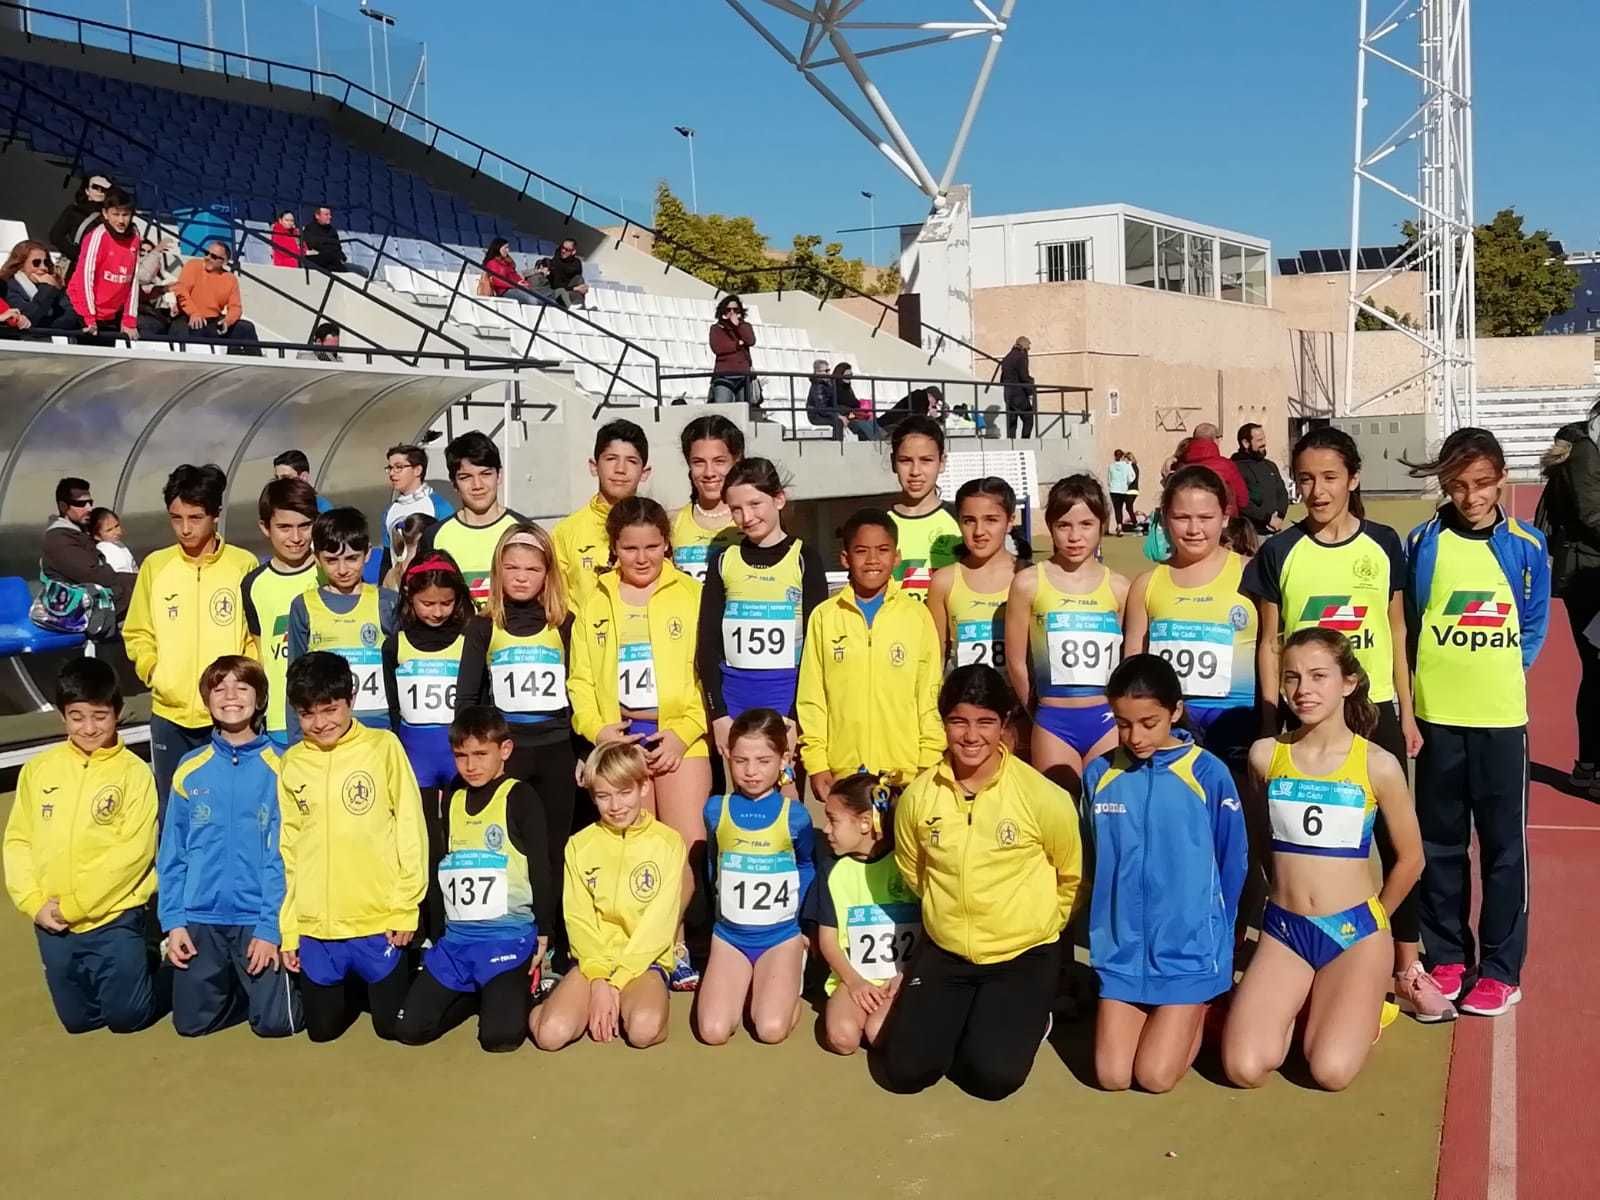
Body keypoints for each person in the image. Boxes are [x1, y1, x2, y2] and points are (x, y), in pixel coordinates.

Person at [1242, 426, 1447, 1020]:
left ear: (1353, 479)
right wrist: (1270, 717)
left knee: (1393, 843)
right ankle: (1294, 950)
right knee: (1297, 839)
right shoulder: (1280, 551)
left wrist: (1405, 710)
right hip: (1305, 714)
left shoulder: (1383, 544)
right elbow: (1269, 642)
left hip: (1374, 707)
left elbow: (1397, 632)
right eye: (1305, 479)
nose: (1318, 490)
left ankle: (1406, 967)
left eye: (1330, 477)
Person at [1223, 629, 1423, 1090]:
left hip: (1354, 932)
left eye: (1318, 676)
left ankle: (1365, 1010)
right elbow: (1262, 842)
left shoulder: (1377, 764)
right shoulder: (1266, 756)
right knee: (1244, 1068)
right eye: (1292, 677)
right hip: (1285, 930)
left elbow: (1411, 858)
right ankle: (1310, 1001)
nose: (1303, 690)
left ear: (1348, 682)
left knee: (1329, 1071)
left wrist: (1376, 917)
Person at [883, 664, 1083, 1100]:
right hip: (948, 950)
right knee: (904, 1072)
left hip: (1022, 953)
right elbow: (915, 870)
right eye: (959, 721)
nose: (971, 736)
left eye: (985, 722)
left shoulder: (1040, 795)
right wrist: (948, 918)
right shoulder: (919, 797)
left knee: (992, 1078)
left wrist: (1044, 924)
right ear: (944, 723)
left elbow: (1071, 875)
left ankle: (1033, 1014)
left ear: (1004, 724)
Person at [1404, 429, 1549, 1018]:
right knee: (1439, 845)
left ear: (1502, 479)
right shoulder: (1424, 541)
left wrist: (1500, 672)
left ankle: (1500, 969)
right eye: (1458, 485)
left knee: (1503, 849)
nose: (1471, 497)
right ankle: (1447, 956)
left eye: (1483, 484)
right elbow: (1415, 619)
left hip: (1499, 719)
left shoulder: (1527, 545)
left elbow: (1532, 624)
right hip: (1437, 716)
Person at [1082, 654, 1247, 1092]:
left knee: (1154, 1077)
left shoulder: (1208, 773)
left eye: (1148, 723)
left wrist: (1221, 942)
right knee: (1113, 1076)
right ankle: (1163, 1015)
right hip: (1121, 953)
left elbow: (1233, 862)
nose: (1135, 737)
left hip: (1188, 954)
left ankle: (1204, 1004)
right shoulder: (1099, 774)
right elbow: (1093, 858)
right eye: (1123, 724)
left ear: (1175, 712)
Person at [568, 498, 709, 991]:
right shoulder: (595, 599)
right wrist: (599, 731)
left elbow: (707, 675)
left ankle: (676, 944)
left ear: (667, 544)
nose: (642, 557)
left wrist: (684, 731)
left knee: (686, 848)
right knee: (630, 848)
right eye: (630, 548)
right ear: (615, 548)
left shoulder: (691, 595)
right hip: (620, 737)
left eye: (652, 546)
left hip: (678, 736)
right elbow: (581, 681)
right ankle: (630, 948)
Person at [3, 658, 162, 1035]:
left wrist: (75, 905)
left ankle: (151, 955)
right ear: (62, 716)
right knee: (79, 1021)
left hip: (113, 914)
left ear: (117, 713)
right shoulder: (39, 769)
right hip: (52, 919)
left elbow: (132, 855)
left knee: (127, 1018)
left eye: (99, 716)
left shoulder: (134, 774)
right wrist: (34, 903)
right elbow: (18, 840)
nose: (89, 728)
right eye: (77, 717)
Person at [277, 652, 424, 1042]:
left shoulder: (383, 747)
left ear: (351, 700)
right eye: (307, 714)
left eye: (330, 709)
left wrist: (405, 907)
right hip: (318, 928)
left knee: (392, 1028)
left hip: (377, 922)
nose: (320, 723)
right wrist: (290, 929)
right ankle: (350, 985)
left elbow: (410, 828)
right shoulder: (291, 763)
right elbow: (288, 850)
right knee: (321, 1032)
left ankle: (401, 975)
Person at [453, 523, 579, 975]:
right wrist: (476, 756)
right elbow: (467, 700)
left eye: (532, 569)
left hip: (557, 750)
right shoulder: (483, 627)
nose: (521, 577)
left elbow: (579, 692)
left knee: (555, 850)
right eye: (512, 568)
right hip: (510, 754)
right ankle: (514, 936)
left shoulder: (564, 624)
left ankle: (558, 940)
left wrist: (583, 752)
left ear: (548, 574)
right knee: (514, 850)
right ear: (498, 571)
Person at [393, 707, 553, 1051]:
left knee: (499, 1039)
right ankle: (476, 995)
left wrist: (544, 931)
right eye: (461, 756)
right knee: (409, 1029)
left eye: (481, 754)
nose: (470, 765)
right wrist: (437, 933)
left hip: (507, 938)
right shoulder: (453, 795)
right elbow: (444, 867)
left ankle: (515, 991)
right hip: (458, 941)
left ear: (504, 750)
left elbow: (542, 867)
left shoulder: (520, 797)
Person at [159, 655, 301, 1038]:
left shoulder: (284, 766)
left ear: (260, 698)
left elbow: (285, 857)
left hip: (258, 917)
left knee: (276, 1023)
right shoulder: (190, 767)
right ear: (207, 701)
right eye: (219, 689)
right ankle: (236, 987)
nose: (231, 696)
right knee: (191, 1024)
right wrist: (174, 923)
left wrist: (271, 929)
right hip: (201, 917)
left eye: (242, 687)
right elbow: (173, 853)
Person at [530, 741, 683, 1051]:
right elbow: (579, 920)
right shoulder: (579, 845)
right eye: (603, 796)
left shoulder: (668, 843)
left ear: (643, 787)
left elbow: (658, 926)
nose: (615, 806)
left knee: (642, 1031)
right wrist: (600, 980)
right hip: (593, 961)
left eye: (624, 792)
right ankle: (553, 1005)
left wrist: (618, 981)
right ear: (593, 797)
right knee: (550, 1035)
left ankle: (641, 1002)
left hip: (643, 962)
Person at [124, 463, 258, 811]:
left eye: (195, 518)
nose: (185, 528)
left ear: (216, 515)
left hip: (228, 712)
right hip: (170, 715)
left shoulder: (242, 565)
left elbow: (252, 637)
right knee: (173, 805)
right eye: (176, 518)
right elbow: (137, 631)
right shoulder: (155, 566)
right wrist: (156, 672)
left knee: (229, 804)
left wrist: (240, 686)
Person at [797, 507, 944, 795]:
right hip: (845, 773)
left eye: (883, 550)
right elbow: (812, 697)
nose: (873, 560)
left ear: (896, 557)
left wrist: (929, 759)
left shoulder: (917, 616)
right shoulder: (825, 616)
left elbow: (930, 694)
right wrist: (816, 763)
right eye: (862, 551)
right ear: (845, 558)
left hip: (906, 772)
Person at [1121, 466, 1258, 767]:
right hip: (1169, 723)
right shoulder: (1147, 584)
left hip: (1237, 718)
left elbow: (1273, 651)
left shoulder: (1252, 574)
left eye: (1205, 518)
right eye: (1182, 518)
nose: (1194, 529)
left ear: (1225, 517)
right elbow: (1134, 668)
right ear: (1165, 518)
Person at [697, 708, 816, 1045]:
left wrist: (802, 928)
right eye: (741, 760)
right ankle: (752, 983)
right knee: (713, 1031)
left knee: (770, 1029)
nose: (751, 772)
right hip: (729, 937)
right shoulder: (715, 810)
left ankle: (785, 982)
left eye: (764, 761)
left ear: (784, 759)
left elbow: (806, 866)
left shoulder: (796, 816)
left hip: (781, 937)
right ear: (727, 755)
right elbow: (713, 865)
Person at [698, 457, 830, 760]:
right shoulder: (723, 560)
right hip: (734, 703)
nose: (746, 517)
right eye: (736, 509)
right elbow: (707, 644)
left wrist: (796, 715)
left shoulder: (805, 558)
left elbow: (816, 644)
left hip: (787, 699)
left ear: (779, 499)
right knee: (746, 788)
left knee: (785, 790)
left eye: (755, 504)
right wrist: (718, 715)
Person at [1005, 475, 1129, 788]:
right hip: (1053, 721)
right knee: (1059, 808)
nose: (1075, 536)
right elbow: (1016, 661)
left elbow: (1128, 661)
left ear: (1102, 525)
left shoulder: (1120, 587)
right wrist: (1036, 712)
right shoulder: (1028, 583)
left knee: (1105, 805)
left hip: (1106, 720)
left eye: (1086, 524)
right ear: (1050, 526)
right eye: (1063, 525)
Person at [383, 551, 473, 931]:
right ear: (409, 598)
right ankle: (422, 927)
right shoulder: (396, 645)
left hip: (457, 758)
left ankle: (456, 923)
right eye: (427, 604)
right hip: (414, 758)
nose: (437, 612)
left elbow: (478, 701)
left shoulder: (468, 641)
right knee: (421, 845)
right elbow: (393, 708)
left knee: (458, 843)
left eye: (446, 603)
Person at [805, 772, 920, 1054]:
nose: (826, 829)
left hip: (901, 977)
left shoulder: (907, 864)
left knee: (877, 1031)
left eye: (833, 820)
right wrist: (854, 981)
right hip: (852, 976)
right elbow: (828, 940)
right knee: (842, 1039)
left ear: (865, 823)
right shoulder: (832, 870)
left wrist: (905, 975)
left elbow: (930, 929)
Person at [286, 507, 401, 734]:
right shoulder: (304, 606)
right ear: (317, 558)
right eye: (331, 560)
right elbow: (294, 679)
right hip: (327, 731)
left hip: (379, 730)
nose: (342, 569)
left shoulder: (387, 602)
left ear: (367, 553)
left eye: (351, 558)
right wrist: (296, 739)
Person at [1535, 400, 1600, 795]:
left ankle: (1589, 765)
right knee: (1597, 668)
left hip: (1589, 568)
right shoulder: (1587, 450)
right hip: (1587, 576)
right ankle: (1590, 767)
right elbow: (1592, 515)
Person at [241, 478, 320, 750]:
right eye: (284, 527)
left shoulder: (331, 572)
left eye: (304, 526)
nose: (296, 538)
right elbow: (262, 654)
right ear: (265, 527)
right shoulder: (253, 585)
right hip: (281, 722)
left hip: (334, 715)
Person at [416, 431, 527, 605]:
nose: (477, 485)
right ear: (454, 483)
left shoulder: (524, 531)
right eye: (466, 477)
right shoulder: (434, 536)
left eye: (485, 474)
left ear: (499, 476)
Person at [928, 476, 1025, 672]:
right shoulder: (943, 582)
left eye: (991, 520)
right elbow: (936, 656)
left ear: (1010, 522)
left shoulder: (1029, 576)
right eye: (969, 521)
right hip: (963, 691)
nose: (979, 531)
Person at [551, 419, 651, 608]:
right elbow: (556, 602)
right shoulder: (565, 531)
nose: (620, 469)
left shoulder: (656, 528)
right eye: (611, 459)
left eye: (631, 461)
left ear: (644, 472)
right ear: (594, 466)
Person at [885, 416, 963, 601]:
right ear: (893, 462)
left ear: (942, 462)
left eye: (926, 460)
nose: (915, 471)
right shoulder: (880, 524)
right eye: (905, 460)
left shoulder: (962, 520)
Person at [66, 185, 150, 340]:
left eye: (125, 215)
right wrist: (88, 317)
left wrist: (129, 319)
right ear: (105, 214)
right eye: (116, 214)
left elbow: (133, 280)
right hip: (82, 310)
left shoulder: (135, 236)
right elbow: (85, 278)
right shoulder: (97, 236)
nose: (121, 220)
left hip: (110, 314)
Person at [41, 476, 134, 614]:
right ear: (63, 506)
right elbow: (93, 575)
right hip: (82, 613)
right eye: (81, 504)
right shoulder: (58, 539)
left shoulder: (78, 533)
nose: (89, 508)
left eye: (90, 502)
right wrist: (139, 580)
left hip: (101, 604)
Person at [671, 415, 743, 584]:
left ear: (737, 460)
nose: (709, 473)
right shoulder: (672, 522)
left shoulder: (752, 521)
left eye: (719, 461)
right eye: (698, 462)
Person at [168, 241, 260, 353]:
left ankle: (249, 361)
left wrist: (227, 321)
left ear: (224, 261)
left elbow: (235, 307)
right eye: (206, 253)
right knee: (196, 328)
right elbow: (181, 291)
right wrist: (193, 313)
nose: (208, 258)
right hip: (187, 317)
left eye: (214, 256)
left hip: (213, 320)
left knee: (246, 328)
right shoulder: (193, 265)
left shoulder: (230, 279)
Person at [380, 442, 454, 568]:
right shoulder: (389, 511)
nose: (392, 473)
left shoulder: (439, 506)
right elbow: (387, 558)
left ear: (417, 470)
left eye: (399, 467)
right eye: (390, 468)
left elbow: (449, 553)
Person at [1, 239, 80, 331]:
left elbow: (70, 317)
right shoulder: (8, 287)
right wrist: (46, 288)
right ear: (21, 265)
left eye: (46, 262)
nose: (44, 268)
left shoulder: (51, 286)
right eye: (36, 263)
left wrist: (56, 288)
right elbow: (30, 318)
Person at [1233, 423, 1289, 536]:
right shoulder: (1235, 468)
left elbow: (1282, 493)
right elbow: (1242, 503)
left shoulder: (1270, 465)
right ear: (1246, 443)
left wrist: (1279, 516)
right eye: (1259, 440)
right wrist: (1267, 519)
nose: (1264, 443)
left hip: (1275, 530)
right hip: (1252, 534)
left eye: (1263, 439)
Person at [708, 294, 760, 408]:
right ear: (723, 311)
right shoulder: (716, 328)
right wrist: (738, 344)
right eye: (728, 309)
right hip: (724, 376)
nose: (732, 312)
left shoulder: (745, 326)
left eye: (735, 310)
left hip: (743, 376)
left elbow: (750, 340)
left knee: (744, 410)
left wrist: (737, 326)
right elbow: (718, 347)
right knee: (721, 408)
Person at [1176, 434, 1247, 516]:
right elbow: (1243, 501)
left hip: (1191, 515)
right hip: (1224, 517)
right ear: (1215, 440)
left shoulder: (1182, 467)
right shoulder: (1226, 465)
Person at [48, 174, 109, 267]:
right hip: (80, 264)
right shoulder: (74, 211)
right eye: (95, 187)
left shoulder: (110, 215)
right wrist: (77, 255)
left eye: (103, 189)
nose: (99, 191)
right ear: (87, 190)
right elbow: (55, 236)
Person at [301, 205, 366, 276]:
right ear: (317, 216)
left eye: (330, 215)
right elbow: (314, 245)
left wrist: (341, 257)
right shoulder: (310, 229)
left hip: (336, 261)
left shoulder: (332, 230)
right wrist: (329, 245)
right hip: (322, 262)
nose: (330, 217)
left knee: (363, 271)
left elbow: (337, 246)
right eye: (326, 214)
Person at [532, 237, 588, 308]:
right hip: (558, 292)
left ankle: (580, 306)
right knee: (564, 291)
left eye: (567, 250)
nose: (563, 251)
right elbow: (556, 285)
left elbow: (577, 281)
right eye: (562, 248)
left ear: (573, 252)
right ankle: (574, 307)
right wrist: (575, 288)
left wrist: (580, 288)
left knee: (579, 279)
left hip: (569, 289)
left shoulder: (577, 263)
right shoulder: (556, 262)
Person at [1000, 335, 1035, 439]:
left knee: (1012, 421)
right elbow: (1024, 376)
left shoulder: (1007, 357)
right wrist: (1031, 390)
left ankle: (1011, 444)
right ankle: (1025, 442)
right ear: (1023, 346)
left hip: (1008, 394)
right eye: (1028, 347)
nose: (1029, 350)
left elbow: (1002, 379)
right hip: (1018, 394)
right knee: (1028, 418)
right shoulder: (1021, 356)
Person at [482, 237, 534, 302]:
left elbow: (515, 276)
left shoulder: (508, 262)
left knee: (541, 298)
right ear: (498, 248)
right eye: (505, 248)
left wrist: (524, 283)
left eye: (508, 248)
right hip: (504, 291)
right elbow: (496, 280)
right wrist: (515, 284)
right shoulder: (492, 263)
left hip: (516, 288)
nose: (508, 250)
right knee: (532, 299)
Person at [88, 507, 136, 575]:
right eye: (109, 530)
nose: (117, 532)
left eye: (117, 526)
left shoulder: (118, 544)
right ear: (97, 536)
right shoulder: (104, 550)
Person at [805, 359, 845, 438]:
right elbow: (822, 409)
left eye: (829, 370)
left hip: (826, 412)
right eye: (826, 371)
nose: (829, 373)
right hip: (817, 415)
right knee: (838, 421)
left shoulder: (828, 383)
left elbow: (832, 402)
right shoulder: (817, 386)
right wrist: (838, 415)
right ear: (817, 372)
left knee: (850, 414)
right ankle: (837, 443)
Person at [1107, 450, 1136, 534]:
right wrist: (1127, 483)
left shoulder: (1111, 466)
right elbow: (1132, 477)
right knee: (1124, 507)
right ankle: (1123, 525)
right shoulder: (1126, 465)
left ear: (1114, 456)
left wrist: (1111, 485)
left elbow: (1109, 479)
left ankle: (1119, 525)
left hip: (1113, 490)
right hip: (1123, 489)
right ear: (1122, 456)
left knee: (1117, 509)